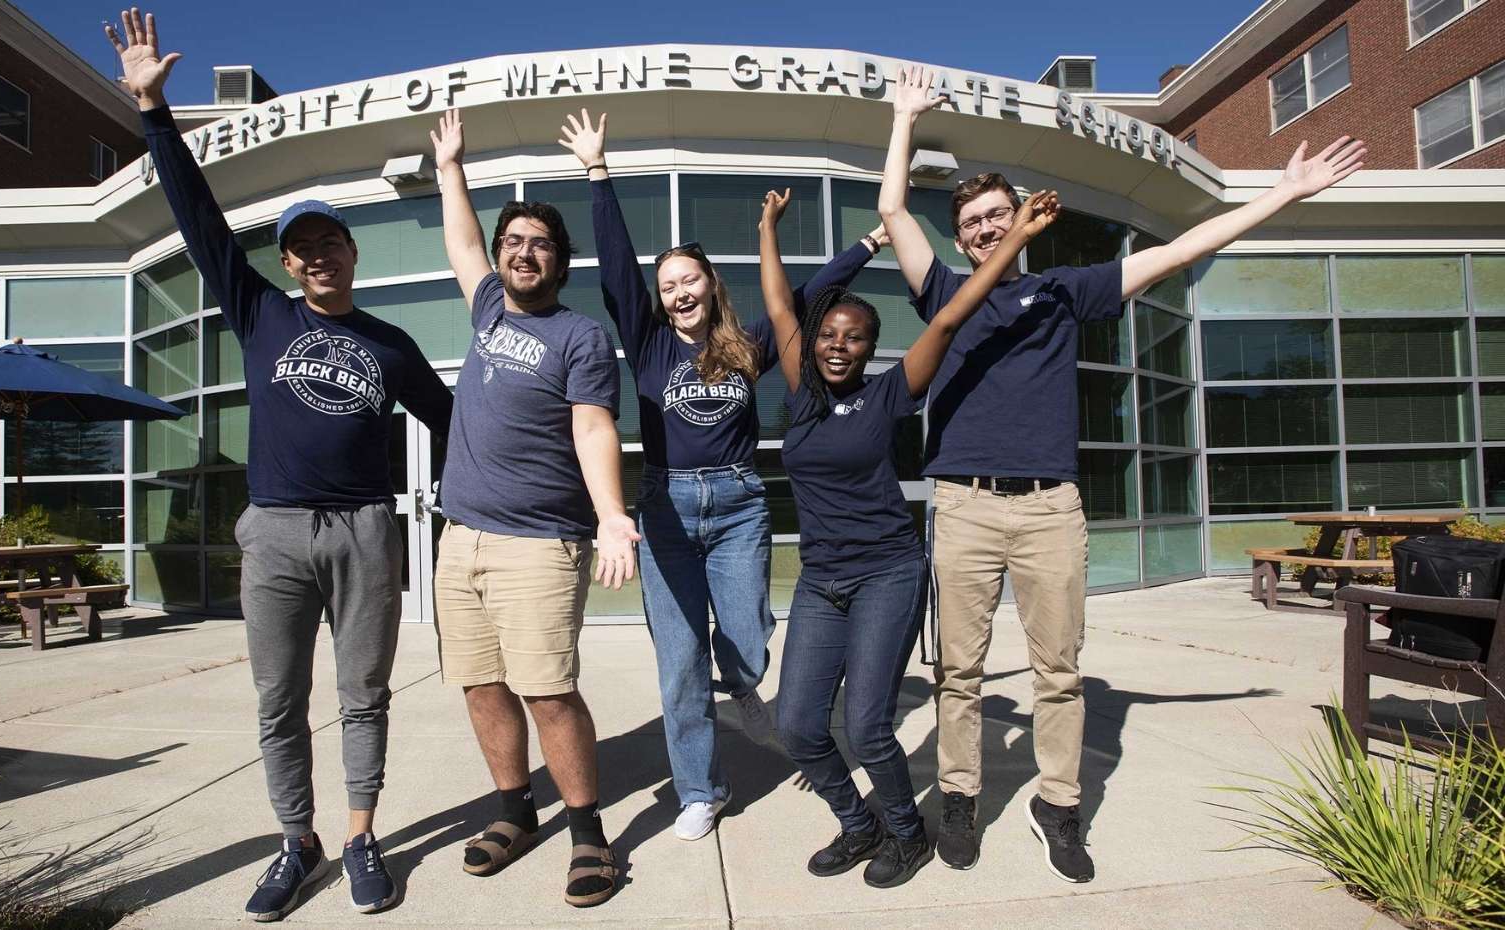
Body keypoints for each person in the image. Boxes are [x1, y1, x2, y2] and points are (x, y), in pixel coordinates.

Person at [876, 66, 1366, 883]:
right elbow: (893, 209)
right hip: (963, 504)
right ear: (961, 237)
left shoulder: (1067, 292)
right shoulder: (945, 296)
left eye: (999, 214)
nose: (990, 228)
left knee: (1057, 670)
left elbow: (1177, 250)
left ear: (1020, 219)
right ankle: (958, 795)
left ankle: (1057, 806)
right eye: (975, 221)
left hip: (1048, 509)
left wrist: (1281, 197)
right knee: (957, 668)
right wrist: (904, 120)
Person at [106, 8, 456, 920]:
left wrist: (467, 502)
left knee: (363, 695)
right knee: (277, 701)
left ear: (350, 250)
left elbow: (452, 420)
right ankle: (295, 841)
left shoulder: (388, 342)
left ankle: (361, 835)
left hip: (368, 528)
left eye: (328, 243)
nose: (315, 258)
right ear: (291, 264)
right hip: (276, 528)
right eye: (300, 250)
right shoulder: (261, 313)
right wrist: (155, 115)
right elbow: (199, 220)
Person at [557, 109, 890, 841]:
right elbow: (616, 270)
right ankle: (701, 790)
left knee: (746, 636)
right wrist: (598, 173)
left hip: (739, 502)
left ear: (711, 283)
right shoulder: (646, 344)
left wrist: (867, 243)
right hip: (666, 508)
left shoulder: (748, 345)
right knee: (678, 663)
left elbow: (807, 296)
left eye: (689, 279)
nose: (678, 291)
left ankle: (742, 684)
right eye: (667, 283)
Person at [761, 181, 1059, 889]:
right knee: (799, 726)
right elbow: (779, 303)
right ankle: (859, 825)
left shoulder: (888, 392)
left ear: (870, 347)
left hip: (888, 573)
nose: (838, 346)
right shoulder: (801, 390)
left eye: (854, 337)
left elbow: (952, 317)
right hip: (821, 580)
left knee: (866, 727)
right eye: (829, 333)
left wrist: (1014, 240)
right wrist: (768, 227)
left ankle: (907, 833)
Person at [430, 107, 638, 909]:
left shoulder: (579, 336)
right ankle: (516, 813)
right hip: (463, 540)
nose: (522, 252)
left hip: (540, 544)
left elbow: (592, 427)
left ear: (560, 261)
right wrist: (452, 168)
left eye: (539, 243)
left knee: (548, 690)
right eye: (513, 241)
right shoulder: (486, 309)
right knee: (482, 686)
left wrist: (612, 514)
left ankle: (589, 833)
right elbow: (460, 243)